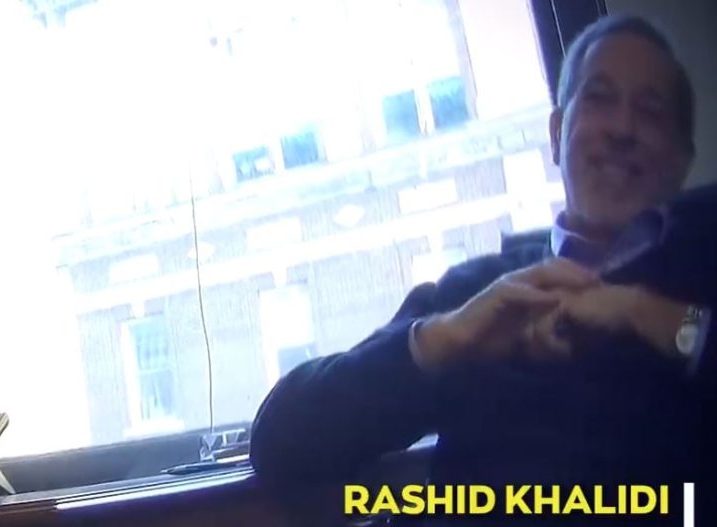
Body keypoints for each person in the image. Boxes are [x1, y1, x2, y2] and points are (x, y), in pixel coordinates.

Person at [250, 14, 716, 526]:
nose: (623, 129)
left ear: (682, 159)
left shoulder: (699, 281)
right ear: (557, 134)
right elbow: (280, 444)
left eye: (650, 112)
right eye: (599, 99)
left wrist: (651, 317)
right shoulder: (476, 293)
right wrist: (445, 339)